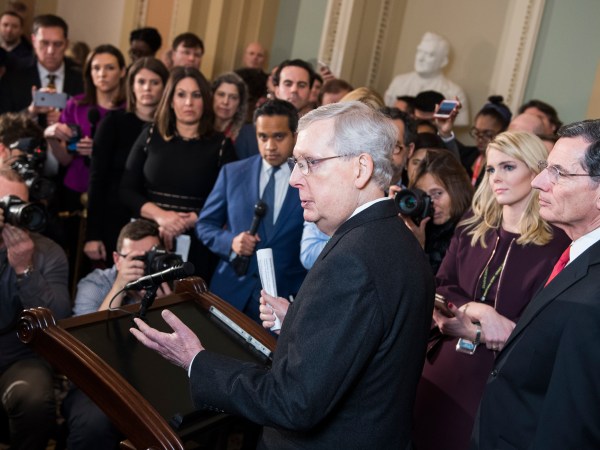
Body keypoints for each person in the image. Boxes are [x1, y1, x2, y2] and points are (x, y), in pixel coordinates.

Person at [130, 101, 435, 449]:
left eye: (310, 163)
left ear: (361, 168)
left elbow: (294, 402)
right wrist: (300, 321)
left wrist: (196, 361)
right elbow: (365, 341)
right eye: (296, 163)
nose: (293, 179)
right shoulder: (397, 238)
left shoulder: (353, 260)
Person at [411, 131, 570, 450]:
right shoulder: (472, 226)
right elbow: (439, 287)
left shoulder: (556, 243)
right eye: (491, 169)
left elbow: (538, 329)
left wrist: (480, 333)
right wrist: (478, 311)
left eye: (508, 167)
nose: (497, 177)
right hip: (439, 367)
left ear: (536, 171)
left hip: (493, 379)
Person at [471, 119, 600, 449]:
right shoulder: (575, 255)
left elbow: (576, 420)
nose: (540, 182)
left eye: (559, 172)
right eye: (545, 168)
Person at [120, 66, 237, 283]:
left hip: (198, 242)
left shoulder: (221, 145)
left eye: (196, 95)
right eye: (181, 94)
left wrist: (192, 219)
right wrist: (161, 216)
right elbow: (126, 189)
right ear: (170, 100)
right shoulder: (150, 134)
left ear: (206, 100)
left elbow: (232, 200)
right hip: (146, 237)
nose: (188, 103)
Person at [64, 219, 170, 450]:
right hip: (98, 379)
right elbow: (87, 344)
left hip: (151, 380)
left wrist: (166, 305)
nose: (143, 267)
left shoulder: (168, 285)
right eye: (136, 259)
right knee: (93, 425)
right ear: (116, 259)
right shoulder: (95, 283)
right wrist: (120, 287)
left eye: (149, 258)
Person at [196, 99, 306, 322]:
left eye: (279, 136)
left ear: (295, 135)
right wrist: (231, 242)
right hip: (229, 293)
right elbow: (204, 225)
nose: (270, 146)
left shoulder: (309, 179)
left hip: (283, 301)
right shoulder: (233, 173)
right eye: (263, 137)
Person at [0, 167, 70, 449]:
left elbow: (58, 321)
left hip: (20, 358)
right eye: (6, 205)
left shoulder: (47, 251)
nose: (15, 213)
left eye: (21, 204)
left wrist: (25, 269)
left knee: (35, 398)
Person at [83, 57, 168, 264]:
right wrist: (92, 235)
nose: (147, 88)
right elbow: (97, 179)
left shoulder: (169, 129)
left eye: (154, 82)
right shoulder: (113, 122)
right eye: (141, 82)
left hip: (155, 221)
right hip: (113, 217)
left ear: (165, 87)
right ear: (131, 85)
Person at [44, 44, 126, 200]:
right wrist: (51, 138)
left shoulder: (129, 110)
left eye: (110, 68)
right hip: (75, 187)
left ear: (122, 72)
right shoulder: (75, 105)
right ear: (89, 72)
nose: (102, 74)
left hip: (113, 190)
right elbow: (65, 159)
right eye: (96, 68)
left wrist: (100, 151)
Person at [397, 148, 473, 274]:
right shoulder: (421, 228)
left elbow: (442, 287)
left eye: (437, 193)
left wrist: (419, 250)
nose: (431, 204)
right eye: (424, 197)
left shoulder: (473, 233)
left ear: (458, 190)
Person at [0, 14, 84, 125]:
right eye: (44, 43)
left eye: (57, 44)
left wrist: (68, 119)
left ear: (66, 44)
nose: (50, 51)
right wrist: (30, 112)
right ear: (34, 41)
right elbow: (3, 123)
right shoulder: (14, 75)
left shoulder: (81, 77)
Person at [384, 32, 470, 125]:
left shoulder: (454, 93)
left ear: (443, 61)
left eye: (430, 54)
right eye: (419, 51)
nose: (420, 58)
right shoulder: (398, 82)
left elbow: (461, 121)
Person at [437, 95, 512, 187]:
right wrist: (445, 132)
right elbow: (451, 150)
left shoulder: (506, 167)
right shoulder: (468, 155)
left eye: (487, 134)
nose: (480, 139)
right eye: (476, 132)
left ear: (504, 132)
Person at [211, 71, 248, 142]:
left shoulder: (245, 136)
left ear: (240, 104)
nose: (225, 102)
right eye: (221, 95)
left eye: (233, 97)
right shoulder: (198, 129)